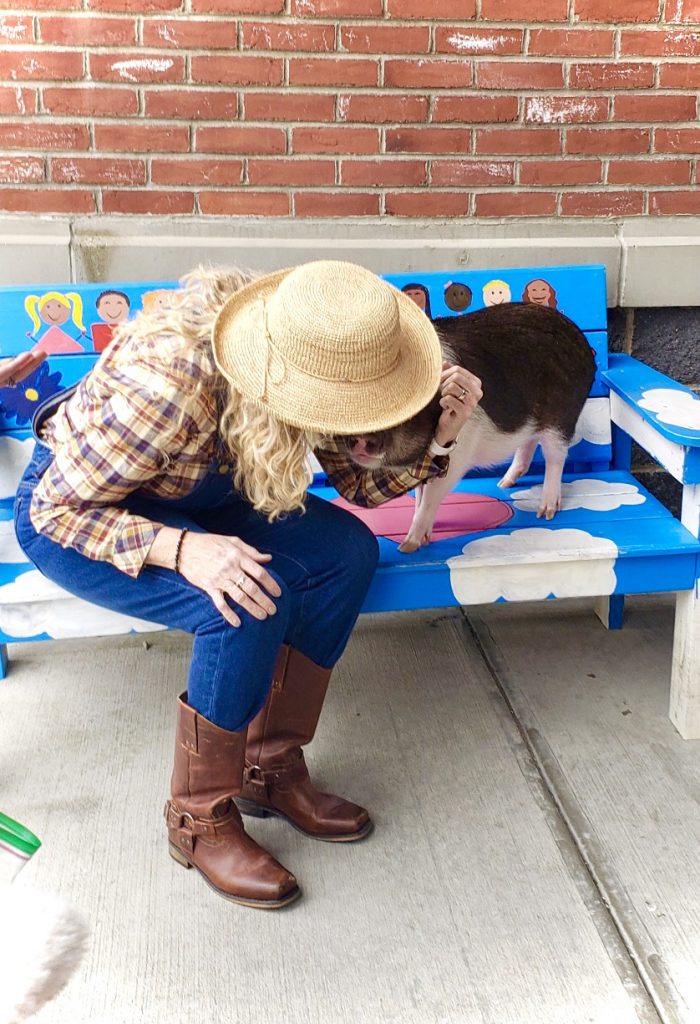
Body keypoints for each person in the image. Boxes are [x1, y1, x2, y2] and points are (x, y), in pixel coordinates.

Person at [13, 261, 481, 910]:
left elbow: (359, 490)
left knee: (346, 552)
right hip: (92, 514)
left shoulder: (322, 356)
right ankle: (197, 818)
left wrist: (438, 437)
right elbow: (56, 512)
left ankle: (270, 766)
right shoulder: (170, 383)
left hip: (207, 495)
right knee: (244, 597)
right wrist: (180, 548)